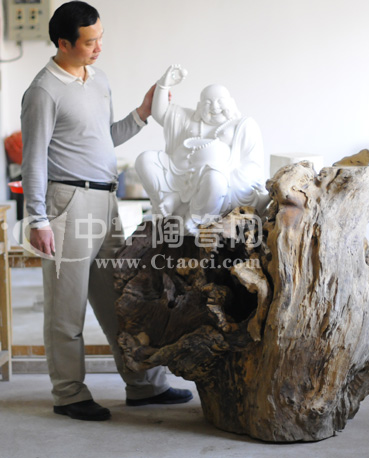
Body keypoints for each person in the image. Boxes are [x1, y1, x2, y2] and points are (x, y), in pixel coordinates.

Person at [20, 1, 192, 421]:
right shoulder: (43, 92)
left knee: (121, 299)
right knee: (67, 307)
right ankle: (69, 394)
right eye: (90, 42)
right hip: (67, 204)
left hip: (106, 201)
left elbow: (103, 137)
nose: (99, 47)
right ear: (64, 43)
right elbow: (34, 160)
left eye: (100, 38)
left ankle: (143, 385)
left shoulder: (98, 79)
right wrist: (37, 218)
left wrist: (143, 113)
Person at [135, 65, 269, 233]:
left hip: (216, 184)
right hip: (178, 175)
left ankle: (195, 220)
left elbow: (253, 167)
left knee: (215, 179)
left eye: (220, 101)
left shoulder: (242, 125)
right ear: (199, 106)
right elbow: (160, 113)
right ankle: (168, 205)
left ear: (231, 102)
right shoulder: (190, 119)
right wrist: (163, 85)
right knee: (145, 160)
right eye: (208, 102)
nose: (214, 107)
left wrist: (222, 174)